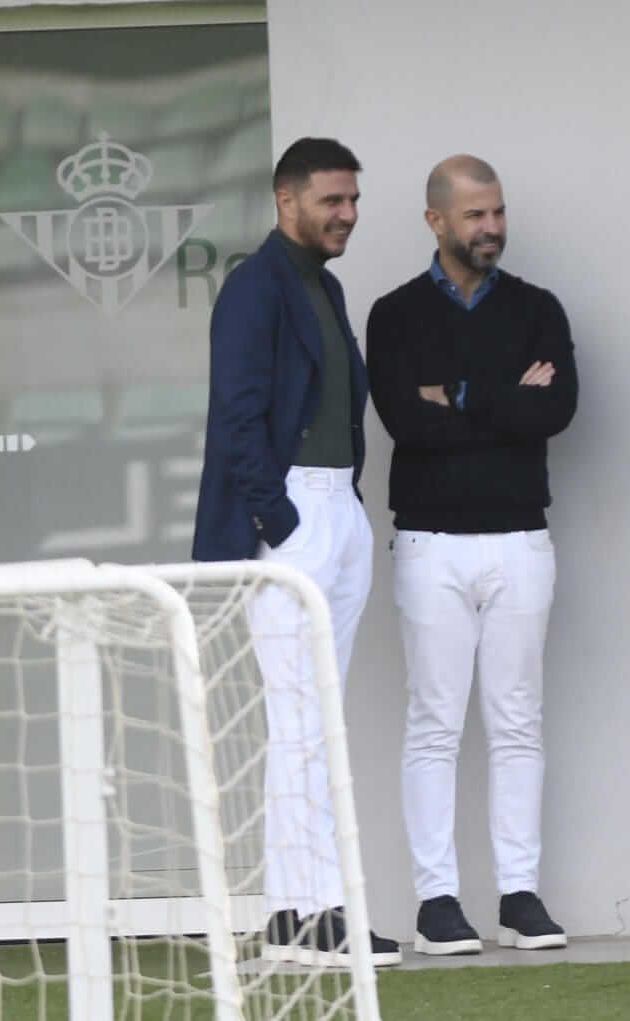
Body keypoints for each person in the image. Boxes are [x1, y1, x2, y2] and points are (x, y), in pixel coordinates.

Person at [193, 136, 401, 968]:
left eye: (352, 200)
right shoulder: (253, 287)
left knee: (316, 717)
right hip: (291, 517)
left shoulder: (327, 285)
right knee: (299, 718)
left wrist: (335, 510)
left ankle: (297, 912)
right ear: (287, 201)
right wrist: (281, 522)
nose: (347, 214)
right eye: (332, 201)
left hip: (335, 508)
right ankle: (310, 914)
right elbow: (235, 416)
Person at [367, 154, 577, 956]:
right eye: (474, 216)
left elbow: (556, 406)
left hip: (521, 537)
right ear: (436, 222)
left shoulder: (537, 308)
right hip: (428, 542)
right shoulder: (393, 315)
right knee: (434, 722)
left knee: (517, 720)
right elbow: (403, 419)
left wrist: (454, 391)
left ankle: (519, 895)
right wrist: (502, 396)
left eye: (496, 212)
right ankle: (437, 902)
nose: (490, 227)